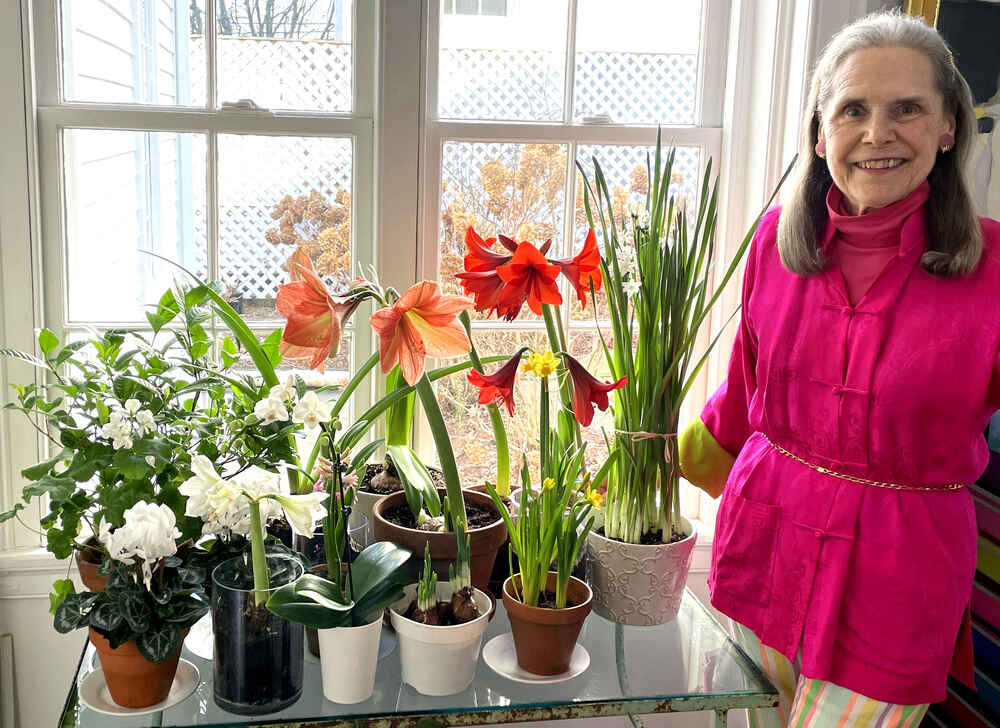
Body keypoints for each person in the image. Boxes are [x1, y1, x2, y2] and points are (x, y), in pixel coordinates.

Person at [678, 11, 1000, 728]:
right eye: (853, 108)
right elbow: (744, 389)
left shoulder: (995, 269)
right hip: (762, 548)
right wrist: (652, 458)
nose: (877, 133)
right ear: (821, 134)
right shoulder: (774, 242)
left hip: (898, 581)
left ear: (949, 126)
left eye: (907, 109)